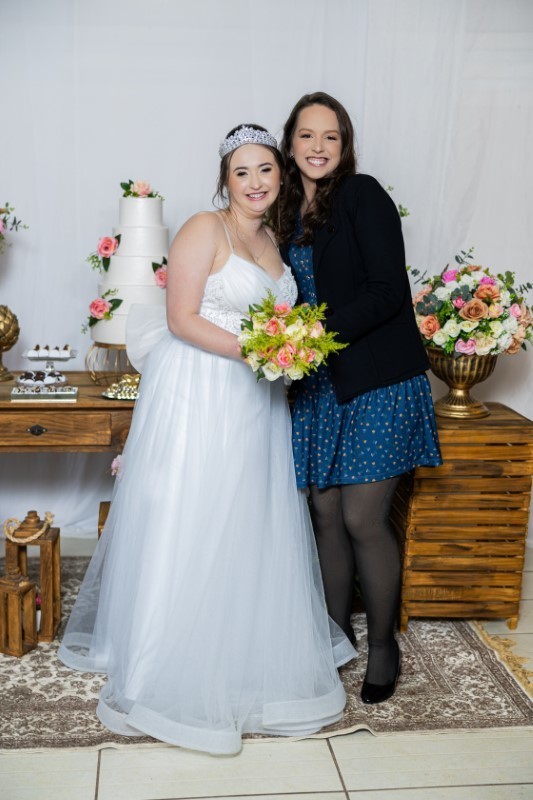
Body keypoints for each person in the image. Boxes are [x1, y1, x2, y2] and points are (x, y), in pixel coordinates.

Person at [58, 124, 356, 755]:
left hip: (256, 400)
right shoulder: (203, 227)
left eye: (265, 170)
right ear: (225, 179)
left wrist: (286, 348)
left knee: (247, 515)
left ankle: (241, 648)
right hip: (202, 392)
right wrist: (262, 348)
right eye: (242, 172)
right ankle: (163, 655)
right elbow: (181, 318)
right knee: (195, 512)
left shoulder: (273, 239)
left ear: (280, 176)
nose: (255, 182)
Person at [274, 93, 442, 704]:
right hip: (319, 385)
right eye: (307, 135)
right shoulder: (283, 211)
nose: (318, 147)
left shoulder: (363, 195)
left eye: (331, 136)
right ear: (290, 143)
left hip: (376, 380)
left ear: (345, 146)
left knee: (360, 517)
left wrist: (314, 333)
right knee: (323, 514)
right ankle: (336, 635)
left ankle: (382, 647)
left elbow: (387, 290)